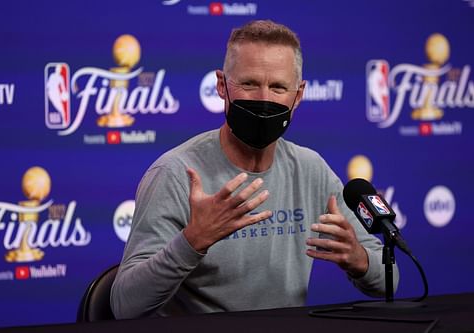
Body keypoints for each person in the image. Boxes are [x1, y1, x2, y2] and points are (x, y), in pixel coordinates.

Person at [111, 20, 398, 319]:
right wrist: (193, 241)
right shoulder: (176, 174)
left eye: (278, 87)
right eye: (249, 84)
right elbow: (125, 306)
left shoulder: (310, 170)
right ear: (222, 86)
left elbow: (389, 281)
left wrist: (359, 259)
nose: (263, 99)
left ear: (298, 96)